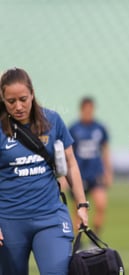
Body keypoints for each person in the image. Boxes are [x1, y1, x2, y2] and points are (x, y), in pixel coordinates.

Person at [0, 68, 89, 274]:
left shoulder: (53, 120)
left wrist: (82, 204)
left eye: (23, 99)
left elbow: (71, 163)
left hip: (50, 218)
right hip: (8, 222)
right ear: (3, 100)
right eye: (11, 101)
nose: (18, 106)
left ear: (32, 93)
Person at [69, 97, 112, 236]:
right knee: (79, 209)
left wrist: (108, 171)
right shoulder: (74, 129)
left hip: (96, 173)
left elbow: (105, 151)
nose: (88, 112)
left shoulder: (99, 128)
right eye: (86, 109)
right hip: (79, 175)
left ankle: (95, 237)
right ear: (81, 110)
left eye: (91, 109)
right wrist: (65, 177)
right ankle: (79, 240)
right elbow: (68, 154)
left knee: (101, 205)